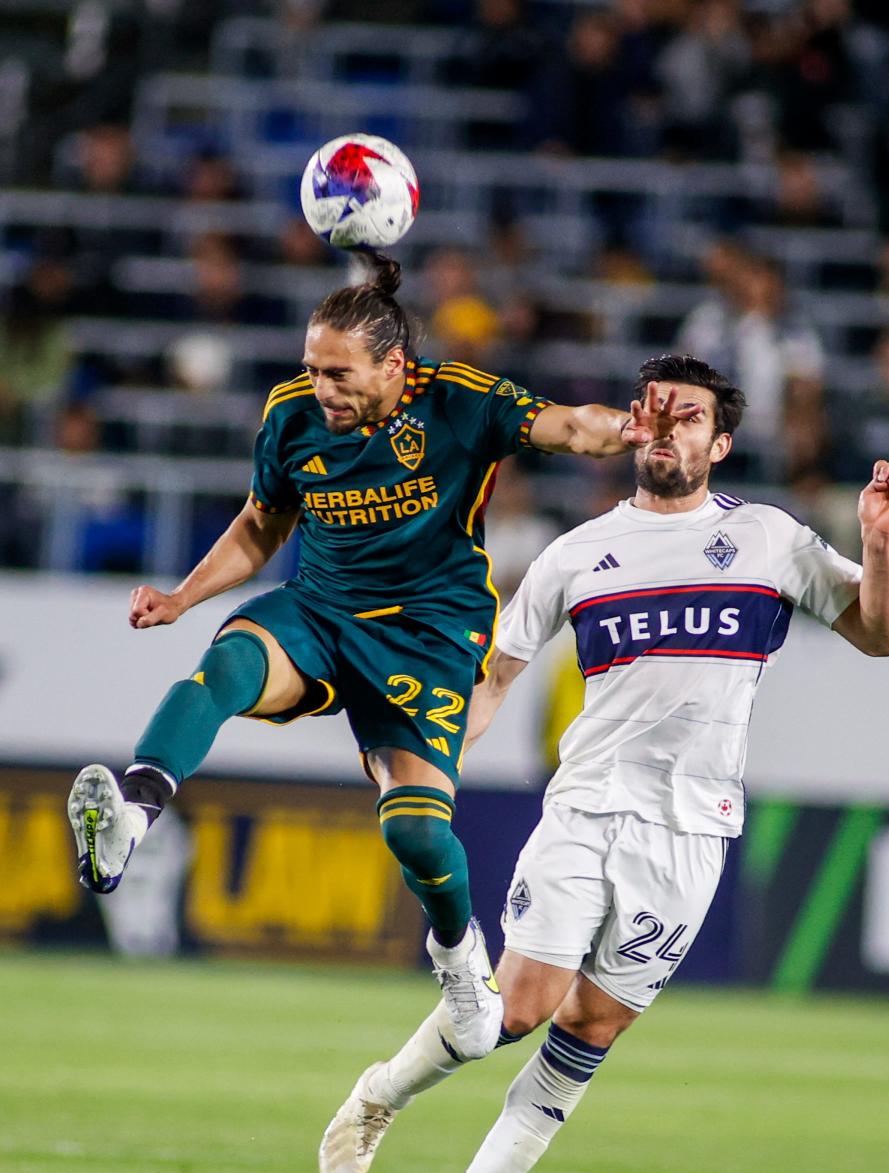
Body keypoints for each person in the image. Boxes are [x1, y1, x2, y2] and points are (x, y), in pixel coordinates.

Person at [318, 353, 889, 1173]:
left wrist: (879, 541)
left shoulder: (766, 541)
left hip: (693, 834)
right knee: (514, 1010)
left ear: (719, 444)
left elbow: (882, 635)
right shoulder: (577, 552)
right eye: (659, 412)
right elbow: (494, 680)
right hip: (588, 806)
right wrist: (422, 769)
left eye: (692, 419)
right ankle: (380, 1093)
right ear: (637, 426)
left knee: (587, 1032)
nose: (670, 429)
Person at [66, 253, 658, 1061]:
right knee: (231, 663)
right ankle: (134, 813)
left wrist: (627, 430)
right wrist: (182, 596)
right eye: (313, 370)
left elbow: (567, 425)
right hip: (322, 609)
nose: (322, 389)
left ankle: (458, 957)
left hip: (431, 633)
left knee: (416, 835)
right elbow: (260, 525)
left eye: (338, 374)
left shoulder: (457, 400)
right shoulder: (292, 416)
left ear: (393, 365)